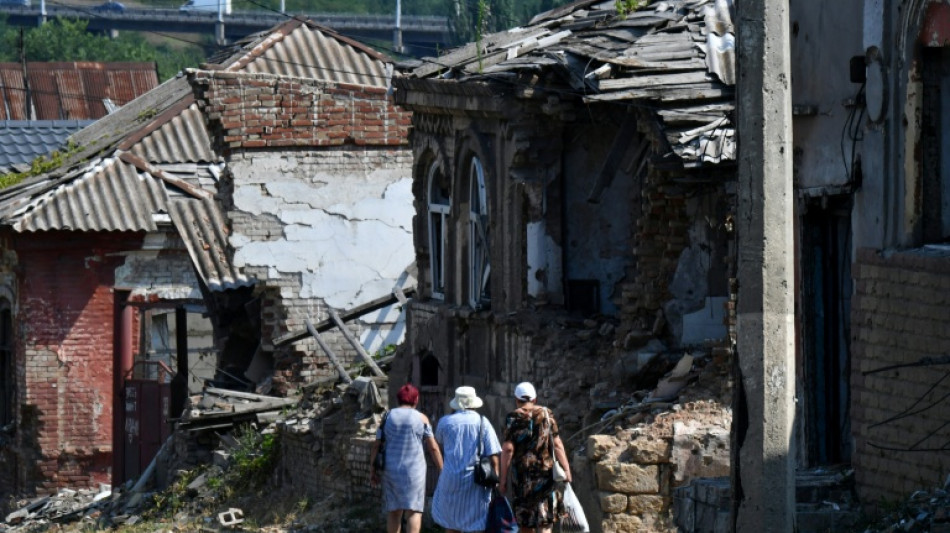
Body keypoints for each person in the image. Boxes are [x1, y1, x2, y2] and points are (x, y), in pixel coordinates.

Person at [499, 381, 573, 533]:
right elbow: (557, 444)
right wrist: (567, 470)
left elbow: (508, 449)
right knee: (545, 521)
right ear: (534, 399)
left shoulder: (512, 418)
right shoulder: (547, 414)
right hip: (545, 475)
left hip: (521, 478)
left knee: (526, 523)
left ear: (516, 399)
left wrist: (503, 480)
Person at [370, 384, 443, 533]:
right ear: (416, 399)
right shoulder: (422, 418)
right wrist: (442, 469)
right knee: (414, 511)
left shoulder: (388, 416)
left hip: (391, 470)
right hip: (414, 471)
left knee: (394, 511)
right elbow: (433, 447)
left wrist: (372, 470)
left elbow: (377, 445)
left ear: (398, 399)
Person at [431, 386, 502, 533]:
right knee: (475, 524)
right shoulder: (483, 423)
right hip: (475, 481)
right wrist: (496, 479)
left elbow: (439, 441)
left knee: (451, 523)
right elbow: (494, 457)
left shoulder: (445, 422)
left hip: (450, 479)